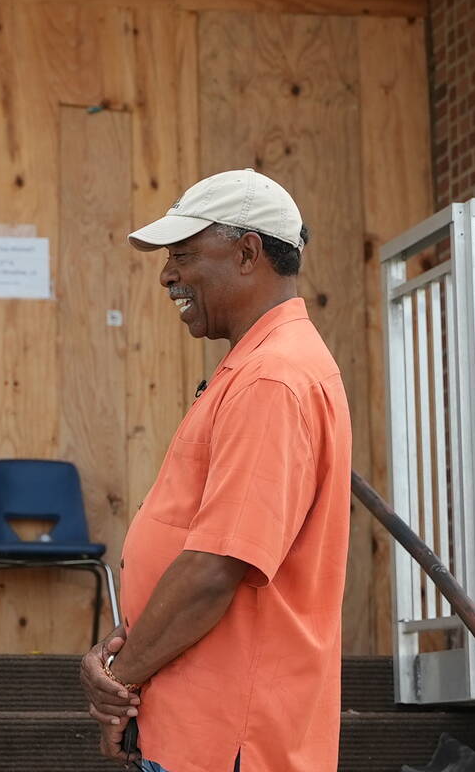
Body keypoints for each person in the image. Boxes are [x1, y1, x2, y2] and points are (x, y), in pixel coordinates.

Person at [80, 169, 352, 772]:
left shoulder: (272, 378)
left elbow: (215, 566)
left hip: (231, 739)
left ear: (248, 252)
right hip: (209, 726)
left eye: (183, 254)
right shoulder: (259, 365)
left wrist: (117, 679)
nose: (167, 273)